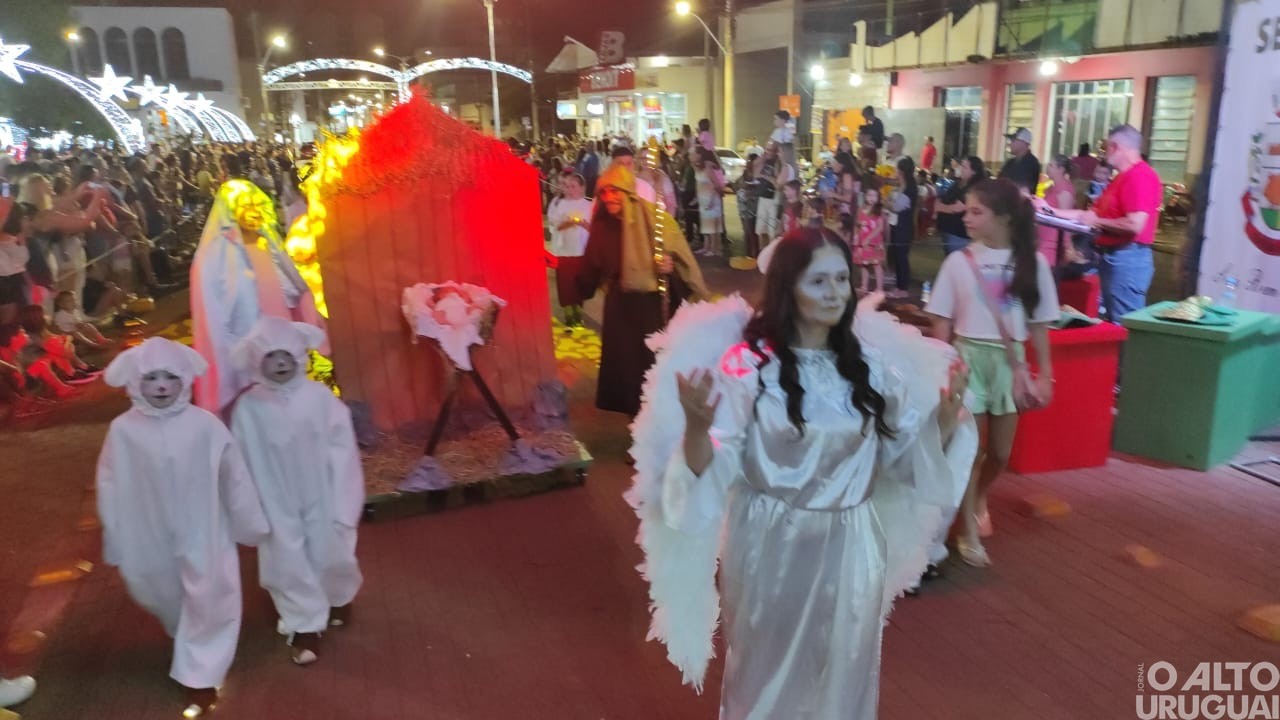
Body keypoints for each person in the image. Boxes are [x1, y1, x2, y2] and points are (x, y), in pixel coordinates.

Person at [626, 227, 975, 718]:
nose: (835, 293)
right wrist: (700, 429)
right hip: (771, 547)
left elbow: (904, 461)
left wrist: (944, 418)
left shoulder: (872, 370)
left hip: (852, 547)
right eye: (818, 282)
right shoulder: (748, 367)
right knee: (764, 680)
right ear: (788, 288)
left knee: (843, 674)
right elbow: (713, 471)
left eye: (841, 279)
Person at [96, 337, 270, 717]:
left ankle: (200, 676)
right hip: (147, 532)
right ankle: (187, 632)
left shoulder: (205, 427)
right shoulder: (123, 431)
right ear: (135, 383)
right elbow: (109, 484)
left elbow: (233, 476)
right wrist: (115, 535)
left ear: (185, 381)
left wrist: (248, 522)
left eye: (170, 378)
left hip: (203, 526)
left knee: (209, 593)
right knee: (155, 588)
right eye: (152, 378)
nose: (161, 386)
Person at [926, 178, 1059, 567]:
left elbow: (1039, 322)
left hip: (1008, 361)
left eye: (975, 211)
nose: (965, 217)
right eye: (966, 210)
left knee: (1000, 453)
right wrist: (943, 366)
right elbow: (941, 319)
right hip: (966, 360)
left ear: (1002, 217)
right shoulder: (958, 261)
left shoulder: (1033, 263)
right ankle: (967, 528)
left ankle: (978, 497)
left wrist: (1044, 375)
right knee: (971, 449)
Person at [230, 318, 365, 667]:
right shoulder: (249, 408)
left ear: (299, 357)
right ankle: (304, 624)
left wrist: (346, 497)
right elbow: (241, 460)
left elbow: (342, 448)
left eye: (285, 355)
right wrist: (249, 507)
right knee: (285, 561)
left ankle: (337, 595)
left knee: (332, 551)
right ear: (256, 361)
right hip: (275, 497)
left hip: (321, 490)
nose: (279, 363)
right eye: (270, 356)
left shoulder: (320, 398)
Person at [572, 163, 709, 416]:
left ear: (628, 191)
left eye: (615, 191)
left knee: (654, 368)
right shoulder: (603, 225)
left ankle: (662, 427)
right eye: (604, 192)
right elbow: (591, 267)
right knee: (628, 373)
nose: (609, 197)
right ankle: (638, 434)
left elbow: (684, 264)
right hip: (620, 310)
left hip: (652, 308)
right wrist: (577, 286)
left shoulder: (656, 221)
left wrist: (670, 268)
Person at [189, 164, 324, 417]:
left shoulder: (268, 240)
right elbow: (215, 307)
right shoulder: (216, 253)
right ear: (231, 212)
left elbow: (292, 283)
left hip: (275, 323)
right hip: (241, 335)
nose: (253, 213)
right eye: (245, 207)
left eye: (256, 205)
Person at [1037, 124, 1160, 322]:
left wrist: (1098, 221)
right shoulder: (1122, 178)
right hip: (1115, 257)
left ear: (1115, 147)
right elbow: (1088, 215)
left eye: (1105, 148)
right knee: (1116, 320)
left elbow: (1135, 224)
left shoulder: (1140, 176)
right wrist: (1049, 210)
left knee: (1124, 323)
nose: (1103, 153)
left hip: (1127, 258)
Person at [547, 172, 593, 329]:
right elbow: (554, 225)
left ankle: (579, 314)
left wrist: (584, 225)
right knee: (565, 284)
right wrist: (569, 223)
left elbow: (593, 228)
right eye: (568, 186)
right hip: (564, 250)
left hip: (581, 251)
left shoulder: (588, 205)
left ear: (582, 188)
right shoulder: (560, 204)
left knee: (579, 284)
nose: (570, 190)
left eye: (574, 186)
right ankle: (569, 315)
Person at [935, 156, 987, 255]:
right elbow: (943, 198)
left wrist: (940, 207)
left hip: (959, 233)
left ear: (974, 171)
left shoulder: (975, 188)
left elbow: (958, 208)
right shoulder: (958, 183)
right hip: (948, 229)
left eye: (964, 167)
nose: (960, 169)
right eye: (961, 166)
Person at [1037, 155, 1080, 268]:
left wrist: (1067, 247)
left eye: (1051, 165)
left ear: (1060, 169)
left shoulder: (1065, 190)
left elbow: (1065, 221)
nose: (1047, 168)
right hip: (1043, 240)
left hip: (1053, 245)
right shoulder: (1051, 188)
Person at [887, 157, 918, 297]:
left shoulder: (909, 188)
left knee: (902, 257)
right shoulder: (904, 185)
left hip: (904, 227)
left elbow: (896, 207)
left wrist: (885, 202)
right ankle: (899, 286)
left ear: (901, 171)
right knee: (898, 256)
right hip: (899, 225)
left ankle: (903, 288)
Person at [0, 199, 33, 325]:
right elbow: (10, 267)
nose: (26, 220)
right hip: (7, 286)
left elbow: (20, 262)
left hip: (11, 287)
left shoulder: (12, 240)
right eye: (23, 217)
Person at [853, 182, 888, 295]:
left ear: (878, 198)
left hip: (874, 242)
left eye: (874, 196)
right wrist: (855, 235)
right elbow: (857, 224)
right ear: (865, 196)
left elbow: (880, 227)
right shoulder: (860, 209)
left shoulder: (879, 212)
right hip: (862, 241)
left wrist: (868, 238)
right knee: (864, 265)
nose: (872, 198)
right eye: (869, 195)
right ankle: (864, 286)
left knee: (876, 265)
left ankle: (879, 288)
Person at [692, 147, 727, 257]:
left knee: (712, 225)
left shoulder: (708, 167)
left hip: (711, 199)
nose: (691, 155)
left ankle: (714, 248)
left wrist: (711, 200)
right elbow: (699, 185)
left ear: (699, 155)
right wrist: (696, 198)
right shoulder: (697, 167)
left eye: (693, 153)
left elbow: (715, 185)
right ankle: (706, 247)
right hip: (703, 199)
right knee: (705, 225)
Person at [998, 127, 1042, 195]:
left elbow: (1022, 189)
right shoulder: (1010, 162)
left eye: (1013, 140)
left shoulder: (1031, 163)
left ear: (1023, 142)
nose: (1010, 144)